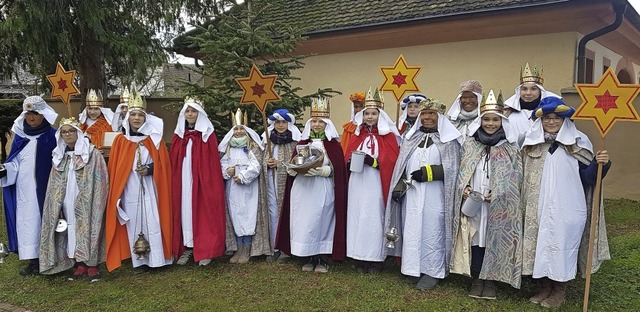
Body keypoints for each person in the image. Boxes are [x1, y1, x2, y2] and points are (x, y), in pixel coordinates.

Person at [521, 96, 611, 308]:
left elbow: (589, 178)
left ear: (565, 120)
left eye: (557, 118)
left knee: (563, 245)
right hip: (539, 205)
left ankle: (559, 290)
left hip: (568, 205)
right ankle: (544, 286)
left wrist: (601, 165)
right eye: (547, 119)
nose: (551, 122)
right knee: (540, 245)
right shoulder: (531, 144)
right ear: (540, 121)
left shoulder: (578, 143)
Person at [450, 90, 523, 299]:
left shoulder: (510, 147)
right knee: (475, 239)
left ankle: (491, 281)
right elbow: (461, 171)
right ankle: (476, 277)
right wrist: (463, 188)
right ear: (480, 121)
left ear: (502, 122)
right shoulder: (471, 144)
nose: (490, 124)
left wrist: (500, 191)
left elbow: (517, 177)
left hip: (498, 205)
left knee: (493, 238)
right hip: (473, 203)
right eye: (486, 120)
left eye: (495, 120)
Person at [385, 98, 461, 290]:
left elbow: (455, 170)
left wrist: (430, 173)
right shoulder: (412, 138)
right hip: (412, 195)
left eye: (432, 114)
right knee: (412, 228)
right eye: (424, 114)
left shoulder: (449, 141)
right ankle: (413, 268)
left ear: (439, 117)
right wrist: (398, 189)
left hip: (436, 196)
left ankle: (433, 270)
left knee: (432, 230)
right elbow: (402, 167)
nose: (427, 117)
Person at [276, 97, 347, 273]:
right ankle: (308, 255)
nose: (316, 125)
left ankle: (322, 257)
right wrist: (292, 170)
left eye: (320, 122)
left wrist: (327, 171)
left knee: (322, 219)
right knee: (305, 220)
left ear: (327, 124)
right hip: (303, 188)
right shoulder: (302, 143)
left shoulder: (333, 145)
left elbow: (339, 168)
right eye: (314, 121)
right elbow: (295, 161)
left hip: (322, 188)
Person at [104, 90, 173, 273]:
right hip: (129, 188)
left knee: (153, 220)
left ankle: (157, 259)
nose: (136, 119)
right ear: (128, 118)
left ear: (145, 119)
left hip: (151, 188)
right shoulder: (121, 140)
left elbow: (163, 165)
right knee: (134, 222)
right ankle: (139, 261)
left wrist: (150, 169)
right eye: (133, 115)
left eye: (139, 115)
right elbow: (116, 167)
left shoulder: (154, 139)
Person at [38, 117, 108, 281]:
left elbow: (101, 179)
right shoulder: (59, 156)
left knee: (88, 227)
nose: (67, 134)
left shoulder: (91, 153)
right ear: (60, 135)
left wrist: (96, 200)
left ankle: (92, 264)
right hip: (65, 199)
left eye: (71, 131)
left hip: (87, 199)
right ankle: (78, 263)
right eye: (64, 132)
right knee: (71, 229)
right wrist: (56, 202)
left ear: (78, 133)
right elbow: (53, 184)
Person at [1, 96, 58, 276]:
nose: (31, 118)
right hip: (24, 191)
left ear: (43, 114)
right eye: (28, 114)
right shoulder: (20, 137)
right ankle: (33, 260)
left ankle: (50, 258)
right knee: (28, 223)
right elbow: (15, 163)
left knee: (47, 221)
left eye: (35, 114)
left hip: (47, 188)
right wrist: (5, 169)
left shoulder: (53, 136)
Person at [344, 87, 399, 274]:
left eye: (373, 113)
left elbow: (391, 161)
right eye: (366, 113)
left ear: (380, 115)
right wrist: (350, 161)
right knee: (357, 214)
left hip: (376, 183)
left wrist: (374, 162)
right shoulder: (356, 135)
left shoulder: (388, 136)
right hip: (357, 183)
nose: (369, 117)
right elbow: (347, 155)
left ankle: (376, 258)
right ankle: (359, 256)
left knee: (374, 216)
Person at [171, 97, 226, 267]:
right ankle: (188, 247)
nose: (190, 114)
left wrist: (204, 178)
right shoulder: (179, 135)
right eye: (187, 111)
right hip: (183, 180)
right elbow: (173, 158)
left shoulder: (207, 135)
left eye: (193, 111)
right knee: (185, 211)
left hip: (202, 180)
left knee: (202, 210)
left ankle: (205, 249)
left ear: (199, 114)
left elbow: (211, 161)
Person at [219, 109, 271, 264]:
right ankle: (238, 247)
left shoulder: (252, 146)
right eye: (236, 129)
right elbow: (223, 162)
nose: (239, 131)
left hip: (248, 187)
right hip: (233, 188)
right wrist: (227, 171)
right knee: (235, 214)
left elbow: (256, 166)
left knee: (248, 215)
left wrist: (243, 176)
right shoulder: (227, 146)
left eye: (242, 129)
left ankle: (247, 247)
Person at [260, 108, 302, 263]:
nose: (280, 125)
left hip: (288, 183)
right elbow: (260, 159)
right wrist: (267, 163)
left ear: (289, 123)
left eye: (283, 122)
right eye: (277, 122)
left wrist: (281, 164)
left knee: (287, 211)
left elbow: (298, 163)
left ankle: (286, 248)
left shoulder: (295, 141)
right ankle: (274, 247)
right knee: (272, 211)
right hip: (271, 182)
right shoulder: (268, 140)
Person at [503, 63, 560, 139]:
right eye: (524, 89)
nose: (528, 93)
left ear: (540, 91)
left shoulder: (551, 114)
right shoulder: (508, 114)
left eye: (533, 89)